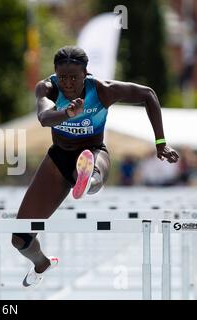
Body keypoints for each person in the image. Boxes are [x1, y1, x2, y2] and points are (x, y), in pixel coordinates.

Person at [11, 46, 179, 287]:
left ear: (86, 74)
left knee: (90, 167)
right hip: (58, 157)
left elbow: (148, 94)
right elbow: (44, 118)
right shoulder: (47, 88)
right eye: (62, 77)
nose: (67, 84)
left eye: (74, 78)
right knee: (20, 238)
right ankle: (42, 263)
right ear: (55, 74)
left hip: (95, 151)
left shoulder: (102, 90)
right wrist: (68, 112)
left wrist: (161, 142)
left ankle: (88, 178)